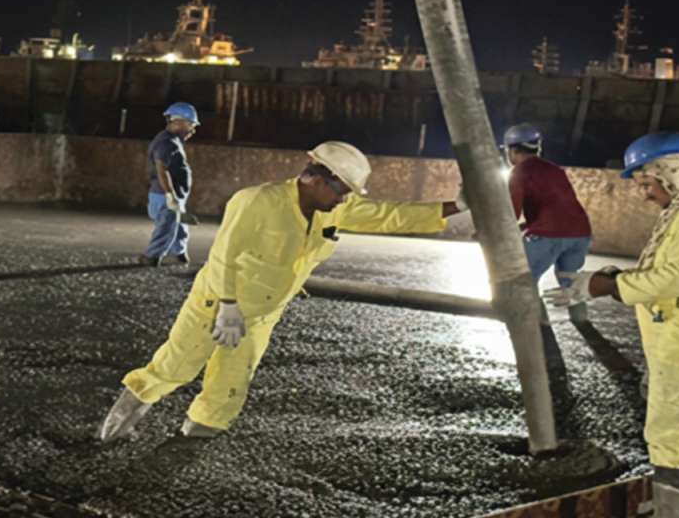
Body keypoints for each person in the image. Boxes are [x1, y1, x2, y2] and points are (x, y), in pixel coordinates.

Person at [100, 141, 466, 441]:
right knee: (176, 366)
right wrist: (227, 305)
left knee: (232, 378)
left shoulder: (331, 210)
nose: (345, 200)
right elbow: (225, 254)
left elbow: (390, 215)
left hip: (262, 311)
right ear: (317, 178)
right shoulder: (258, 201)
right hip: (217, 303)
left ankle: (200, 432)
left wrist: (457, 206)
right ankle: (117, 425)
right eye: (342, 190)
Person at [543, 132, 679, 517]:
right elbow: (672, 271)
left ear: (670, 172)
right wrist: (615, 278)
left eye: (647, 184)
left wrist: (610, 287)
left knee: (675, 438)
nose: (645, 195)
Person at [503, 123, 593, 322]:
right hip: (580, 234)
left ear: (513, 150)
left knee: (526, 282)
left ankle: (541, 325)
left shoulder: (519, 173)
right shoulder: (555, 170)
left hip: (547, 236)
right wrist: (528, 224)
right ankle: (581, 320)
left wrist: (493, 232)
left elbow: (511, 213)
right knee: (570, 280)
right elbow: (559, 205)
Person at [138, 102, 199, 267]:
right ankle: (151, 256)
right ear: (178, 122)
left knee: (178, 225)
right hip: (165, 195)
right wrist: (169, 195)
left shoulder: (173, 141)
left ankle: (178, 252)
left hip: (174, 194)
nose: (193, 130)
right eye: (191, 125)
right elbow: (161, 168)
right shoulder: (166, 143)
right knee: (166, 227)